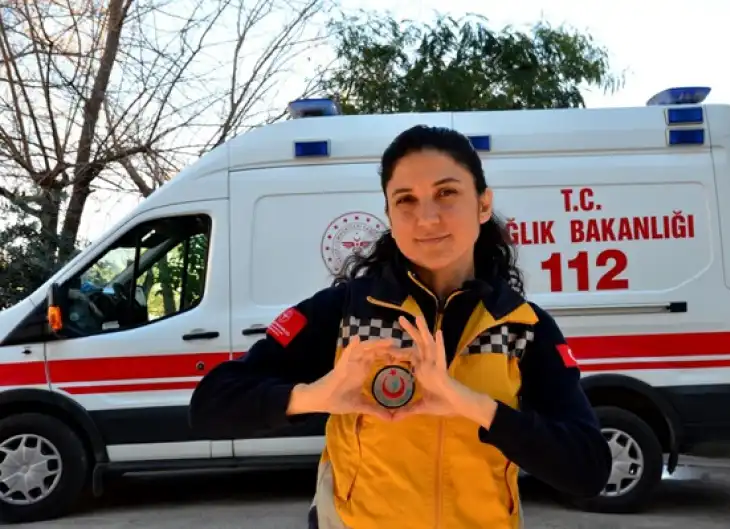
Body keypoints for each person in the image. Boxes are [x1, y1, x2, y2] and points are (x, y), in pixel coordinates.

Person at [189, 124, 612, 529]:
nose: (426, 218)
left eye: (446, 193)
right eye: (406, 199)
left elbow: (588, 470)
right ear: (390, 214)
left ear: (483, 204)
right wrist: (315, 396)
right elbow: (210, 407)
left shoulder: (523, 327)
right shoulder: (346, 313)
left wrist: (474, 406)